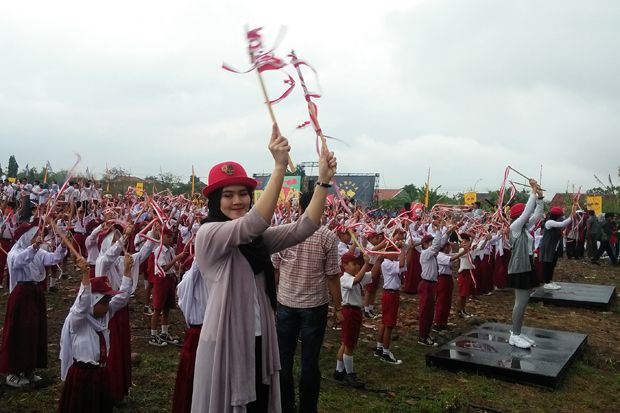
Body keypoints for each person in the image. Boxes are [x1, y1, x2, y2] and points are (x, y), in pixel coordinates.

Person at [192, 125, 337, 412]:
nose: (237, 201)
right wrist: (280, 167)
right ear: (214, 201)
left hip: (260, 339)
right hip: (227, 343)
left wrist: (322, 182)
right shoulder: (209, 235)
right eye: (228, 195)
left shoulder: (255, 241)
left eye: (243, 194)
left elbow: (303, 228)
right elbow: (253, 223)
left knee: (257, 404)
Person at [272, 191, 341, 413]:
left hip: (286, 302)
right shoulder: (327, 236)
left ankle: (285, 406)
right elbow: (332, 275)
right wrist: (338, 306)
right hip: (313, 306)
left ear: (300, 206)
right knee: (310, 361)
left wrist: (273, 297)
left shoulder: (284, 232)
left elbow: (275, 269)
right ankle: (307, 409)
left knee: (284, 359)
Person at [58, 254, 133, 413]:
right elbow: (82, 304)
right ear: (93, 300)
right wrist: (85, 275)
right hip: (82, 376)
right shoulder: (79, 320)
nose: (108, 306)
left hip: (101, 372)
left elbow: (122, 298)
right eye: (104, 302)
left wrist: (127, 271)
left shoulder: (105, 315)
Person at [0, 219, 67, 387]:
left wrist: (63, 245)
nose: (37, 237)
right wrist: (34, 247)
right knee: (20, 332)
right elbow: (19, 262)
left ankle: (29, 369)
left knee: (35, 330)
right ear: (25, 237)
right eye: (34, 235)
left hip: (36, 293)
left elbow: (53, 259)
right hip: (22, 295)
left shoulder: (37, 251)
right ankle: (14, 372)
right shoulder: (15, 253)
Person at [507, 179, 544, 349]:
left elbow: (536, 215)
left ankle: (518, 332)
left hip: (527, 266)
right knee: (520, 303)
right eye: (523, 214)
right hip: (520, 268)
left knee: (523, 302)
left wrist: (540, 198)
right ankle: (514, 335)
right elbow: (528, 212)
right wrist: (532, 191)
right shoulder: (515, 226)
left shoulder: (525, 228)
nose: (527, 217)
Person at [334, 251, 374, 387]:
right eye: (354, 264)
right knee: (350, 345)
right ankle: (349, 375)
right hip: (349, 312)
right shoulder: (344, 278)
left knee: (345, 343)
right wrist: (367, 263)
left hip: (354, 312)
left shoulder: (356, 275)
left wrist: (378, 261)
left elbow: (371, 275)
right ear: (344, 265)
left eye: (358, 264)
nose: (357, 267)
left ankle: (339, 371)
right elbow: (356, 280)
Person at [172, 257, 208, 413]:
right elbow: (197, 265)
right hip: (197, 334)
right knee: (192, 375)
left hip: (206, 332)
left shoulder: (204, 282)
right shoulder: (188, 285)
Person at [373, 231, 407, 364]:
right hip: (390, 294)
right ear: (389, 253)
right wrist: (403, 249)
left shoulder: (390, 262)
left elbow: (404, 265)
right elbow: (402, 264)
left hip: (391, 293)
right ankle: (386, 352)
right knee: (389, 325)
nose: (397, 254)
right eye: (395, 252)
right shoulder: (387, 264)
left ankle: (379, 348)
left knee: (384, 322)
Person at [539, 206, 574, 289]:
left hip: (553, 247)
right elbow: (563, 224)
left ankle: (549, 281)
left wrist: (573, 210)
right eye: (560, 216)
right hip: (547, 247)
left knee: (552, 264)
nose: (562, 217)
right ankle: (546, 282)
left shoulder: (554, 222)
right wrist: (572, 214)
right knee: (547, 264)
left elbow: (565, 223)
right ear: (557, 216)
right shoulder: (549, 222)